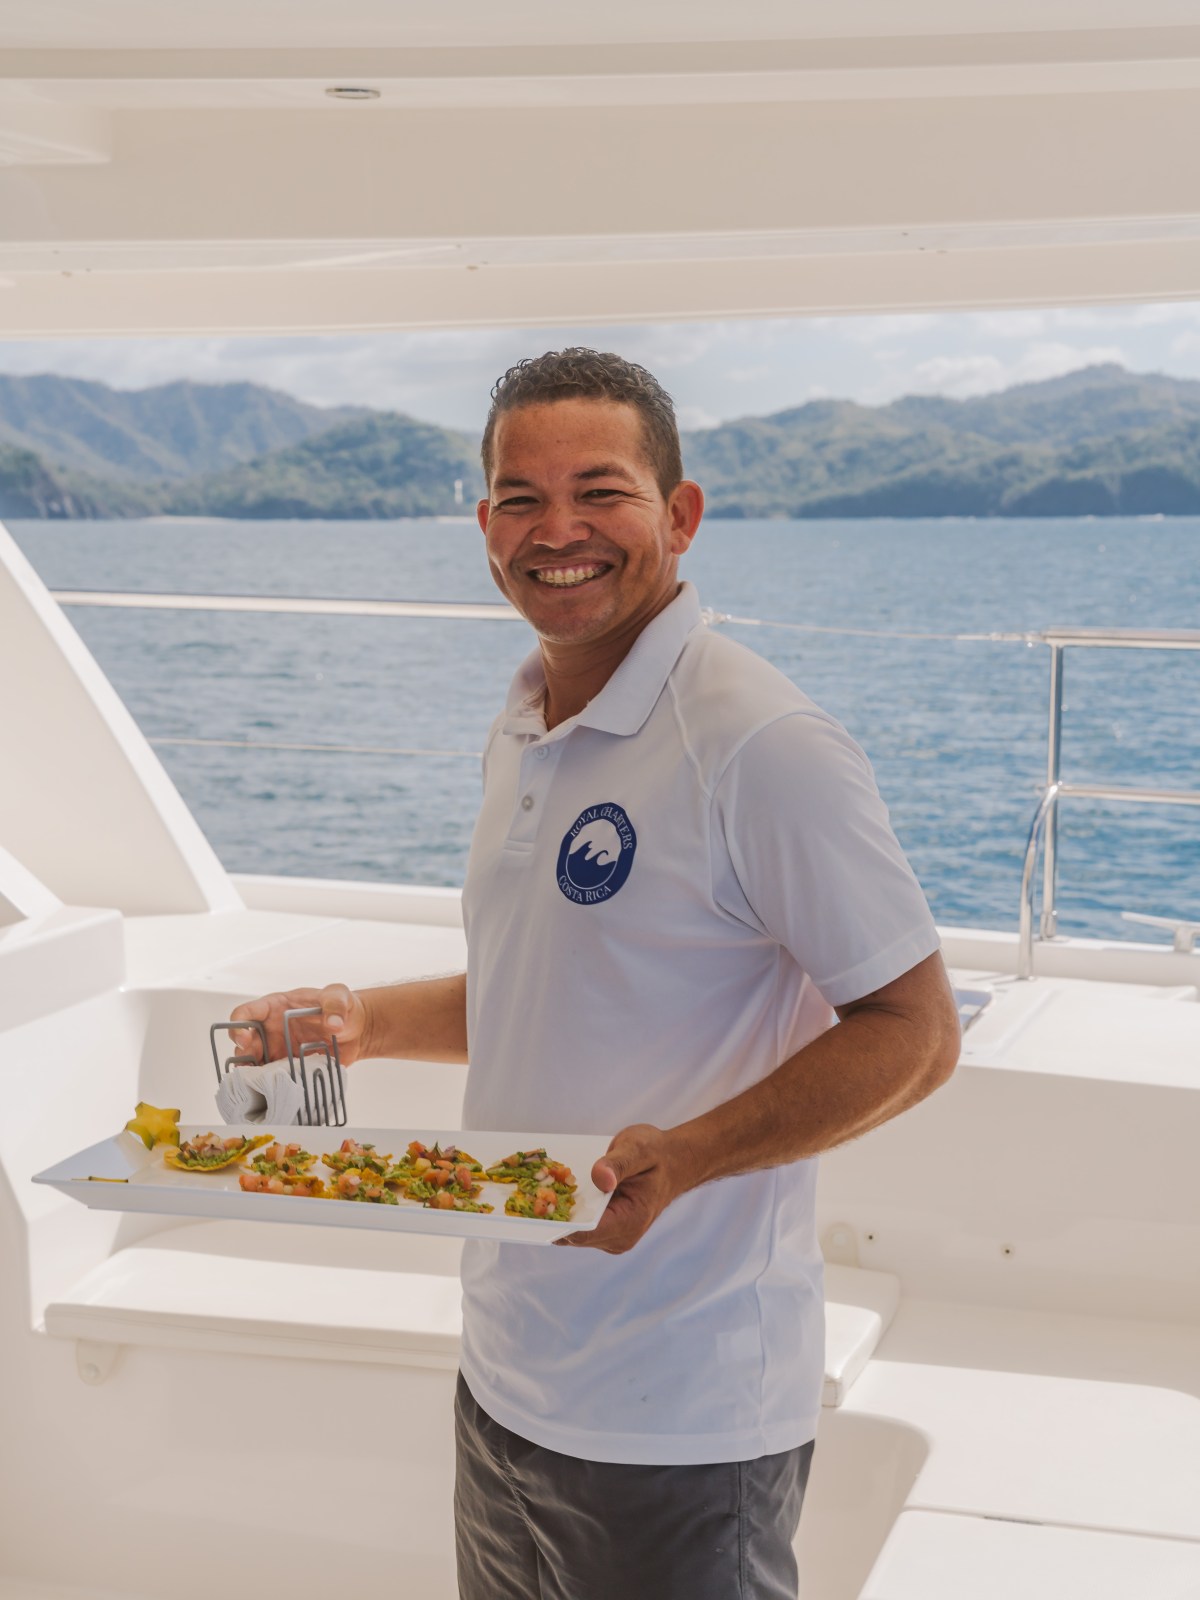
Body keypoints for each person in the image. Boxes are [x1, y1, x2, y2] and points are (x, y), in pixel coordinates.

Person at [231, 348, 961, 1599]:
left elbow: (915, 1028)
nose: (556, 530)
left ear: (678, 515)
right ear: (483, 527)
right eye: (520, 498)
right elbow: (557, 982)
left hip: (685, 1416)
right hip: (511, 1375)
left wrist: (687, 1157)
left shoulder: (759, 740)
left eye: (600, 491)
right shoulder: (525, 719)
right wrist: (359, 1023)